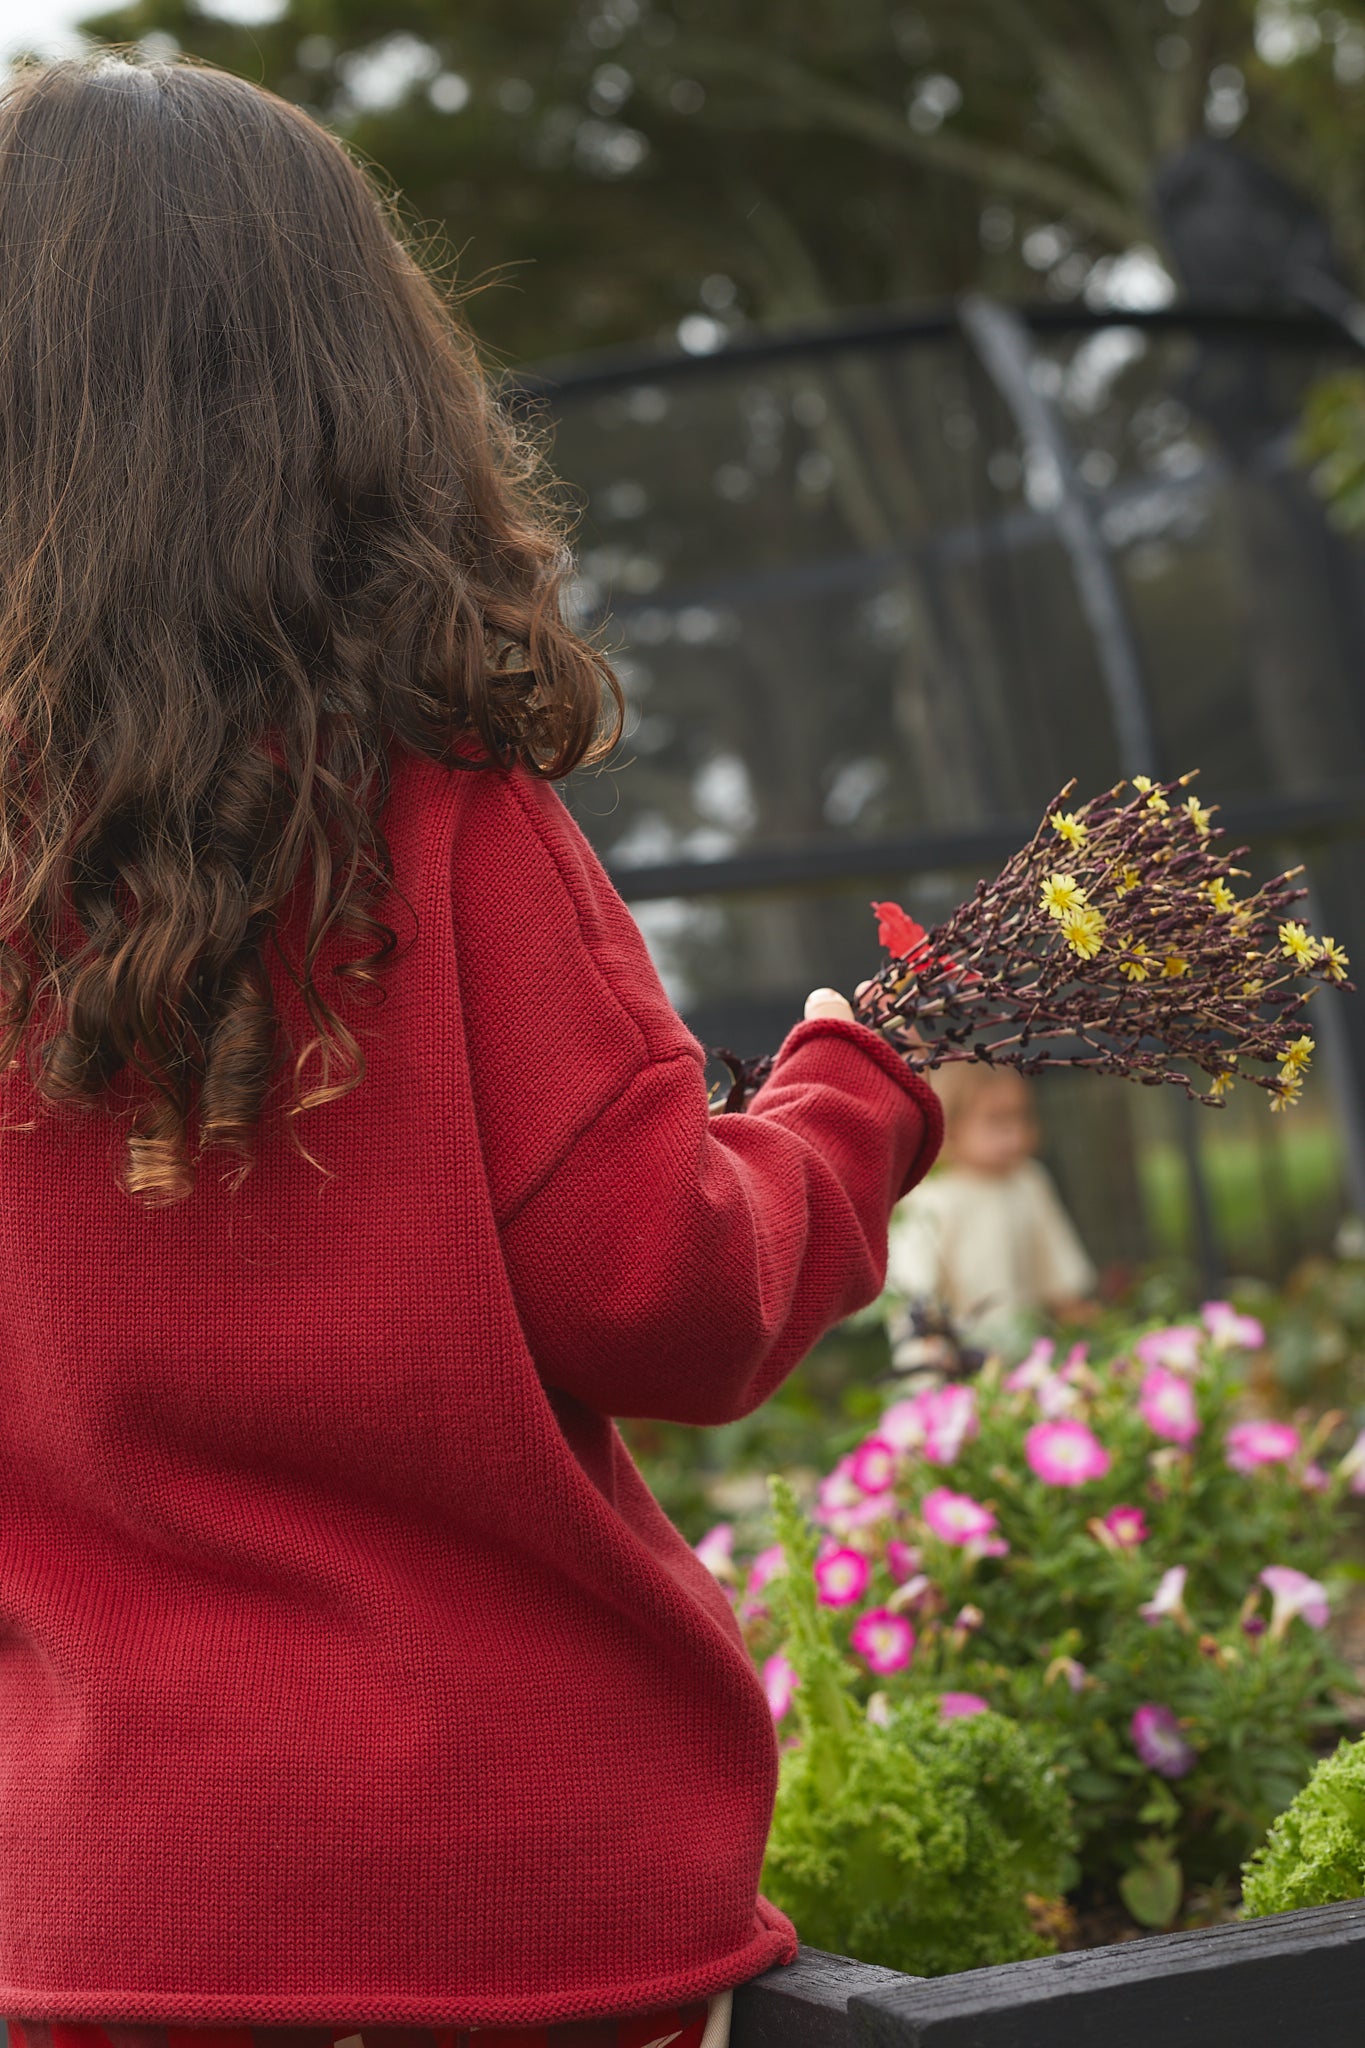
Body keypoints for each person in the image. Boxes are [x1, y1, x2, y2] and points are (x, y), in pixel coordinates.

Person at [0, 53, 944, 2048]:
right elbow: (665, 1293)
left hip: (103, 1909)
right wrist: (855, 1084)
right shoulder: (436, 820)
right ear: (361, 397)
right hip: (512, 1909)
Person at [885, 1062, 1097, 1363]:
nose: (1015, 1133)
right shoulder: (929, 1196)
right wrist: (935, 1360)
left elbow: (1059, 1280)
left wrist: (1090, 1334)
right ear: (950, 1123)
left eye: (1022, 1116)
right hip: (955, 1369)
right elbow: (914, 1297)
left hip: (1024, 1360)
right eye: (997, 1121)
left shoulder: (1027, 1181)